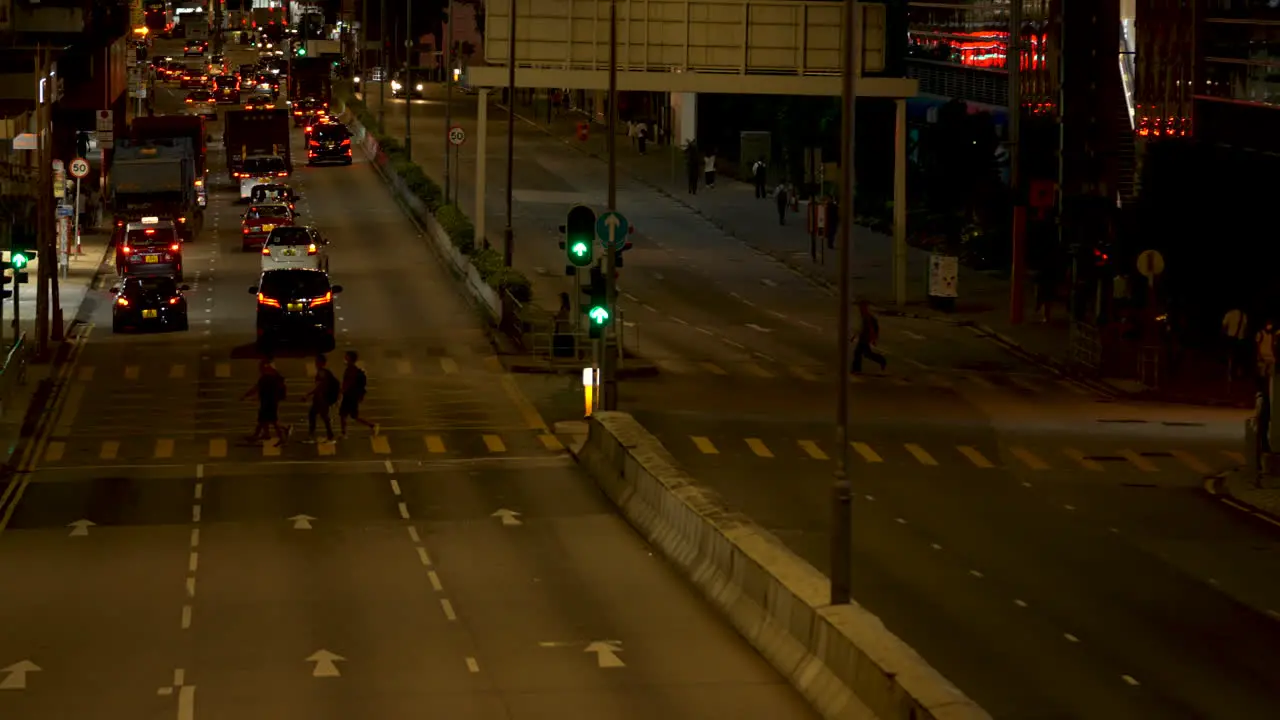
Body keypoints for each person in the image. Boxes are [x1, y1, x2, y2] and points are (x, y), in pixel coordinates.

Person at [242, 358, 290, 446]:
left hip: (269, 402)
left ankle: (282, 436)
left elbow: (256, 388)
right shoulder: (273, 377)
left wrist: (246, 395)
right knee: (263, 420)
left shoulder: (266, 379)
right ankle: (263, 434)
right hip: (269, 401)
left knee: (271, 421)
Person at [302, 353, 340, 444]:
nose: (315, 363)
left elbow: (320, 387)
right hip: (321, 398)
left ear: (321, 362)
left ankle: (326, 436)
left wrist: (308, 394)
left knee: (321, 416)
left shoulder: (322, 373)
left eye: (317, 361)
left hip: (322, 398)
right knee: (316, 415)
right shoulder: (325, 372)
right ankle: (324, 435)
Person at [339, 351, 378, 438]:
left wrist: (342, 391)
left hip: (350, 395)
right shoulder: (351, 369)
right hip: (351, 395)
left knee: (344, 414)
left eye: (346, 357)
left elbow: (349, 382)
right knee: (351, 415)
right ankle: (371, 425)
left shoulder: (351, 369)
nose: (345, 358)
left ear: (350, 358)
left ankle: (344, 433)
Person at [851, 300, 887, 373]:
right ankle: (857, 369)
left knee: (859, 353)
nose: (860, 309)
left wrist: (873, 339)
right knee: (865, 354)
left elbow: (870, 329)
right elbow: (860, 328)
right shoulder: (863, 316)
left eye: (861, 307)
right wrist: (854, 337)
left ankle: (857, 369)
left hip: (865, 338)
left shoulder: (867, 317)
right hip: (863, 337)